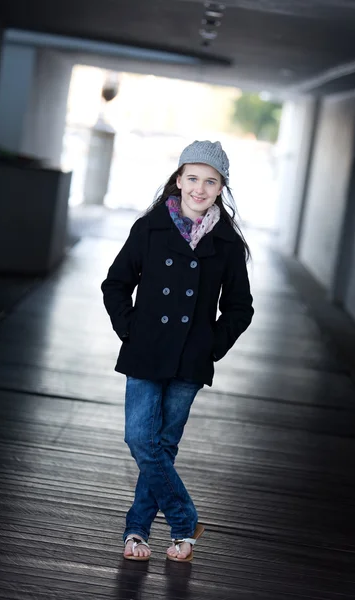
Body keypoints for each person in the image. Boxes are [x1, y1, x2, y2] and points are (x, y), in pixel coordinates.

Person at [101, 140, 254, 562]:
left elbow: (240, 307)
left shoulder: (226, 243)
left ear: (221, 187)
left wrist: (211, 346)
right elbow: (115, 284)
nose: (199, 189)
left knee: (163, 445)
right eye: (193, 178)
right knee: (140, 438)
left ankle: (136, 533)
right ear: (179, 179)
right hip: (145, 352)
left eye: (210, 181)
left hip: (190, 359)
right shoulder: (149, 228)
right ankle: (185, 523)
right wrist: (130, 330)